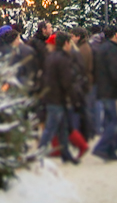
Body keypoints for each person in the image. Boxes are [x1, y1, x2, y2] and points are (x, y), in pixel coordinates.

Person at [37, 32, 80, 164]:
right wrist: (74, 98)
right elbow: (67, 82)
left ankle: (65, 153)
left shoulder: (51, 57)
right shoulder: (63, 59)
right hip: (58, 97)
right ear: (66, 43)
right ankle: (39, 153)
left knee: (62, 128)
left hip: (51, 96)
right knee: (51, 128)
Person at [91, 25, 117, 162]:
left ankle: (110, 151)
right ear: (116, 35)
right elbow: (115, 71)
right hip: (111, 90)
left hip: (102, 88)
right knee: (115, 121)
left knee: (108, 120)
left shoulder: (101, 49)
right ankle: (102, 147)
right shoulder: (112, 49)